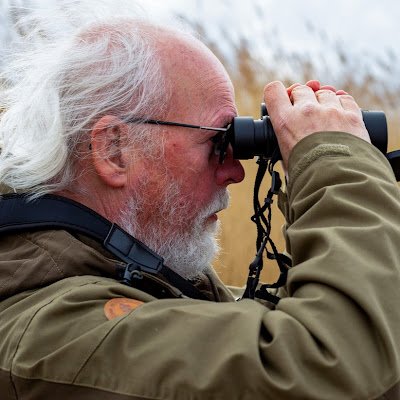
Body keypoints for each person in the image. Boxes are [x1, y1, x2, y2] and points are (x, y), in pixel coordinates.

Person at [0, 3, 400, 399]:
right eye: (216, 140)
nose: (235, 171)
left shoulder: (145, 282)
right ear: (114, 150)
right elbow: (330, 365)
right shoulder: (56, 332)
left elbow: (371, 345)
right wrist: (335, 163)